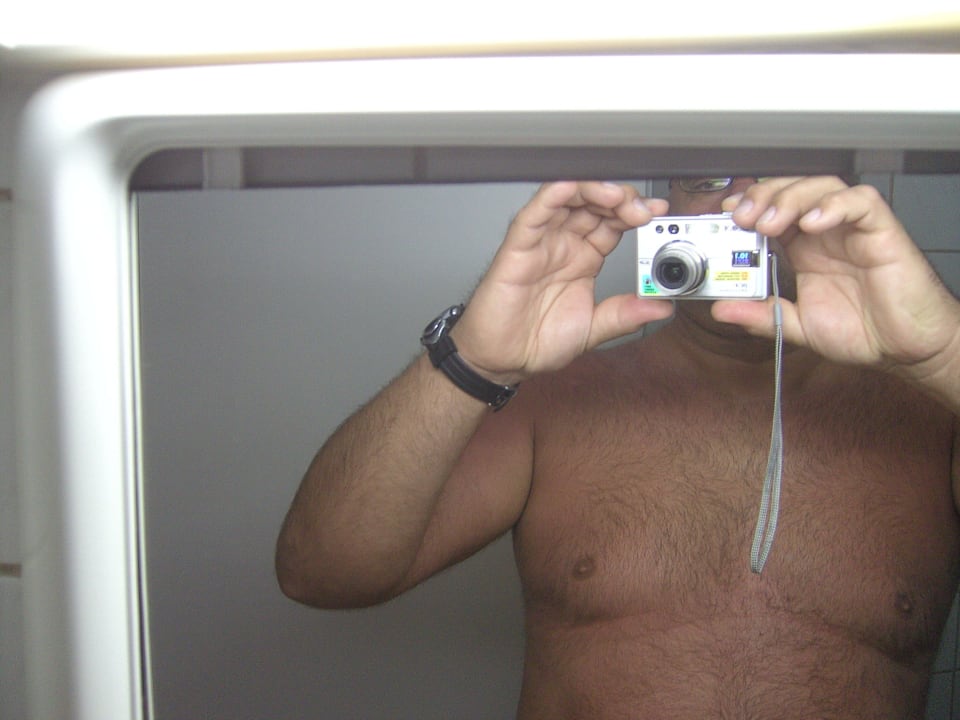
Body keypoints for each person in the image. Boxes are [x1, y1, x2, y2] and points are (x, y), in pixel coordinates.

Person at [275, 176, 960, 718]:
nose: (742, 211)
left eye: (778, 179)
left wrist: (947, 352)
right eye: (707, 180)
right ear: (663, 207)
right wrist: (473, 361)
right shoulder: (560, 399)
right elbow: (322, 572)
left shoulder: (934, 414)